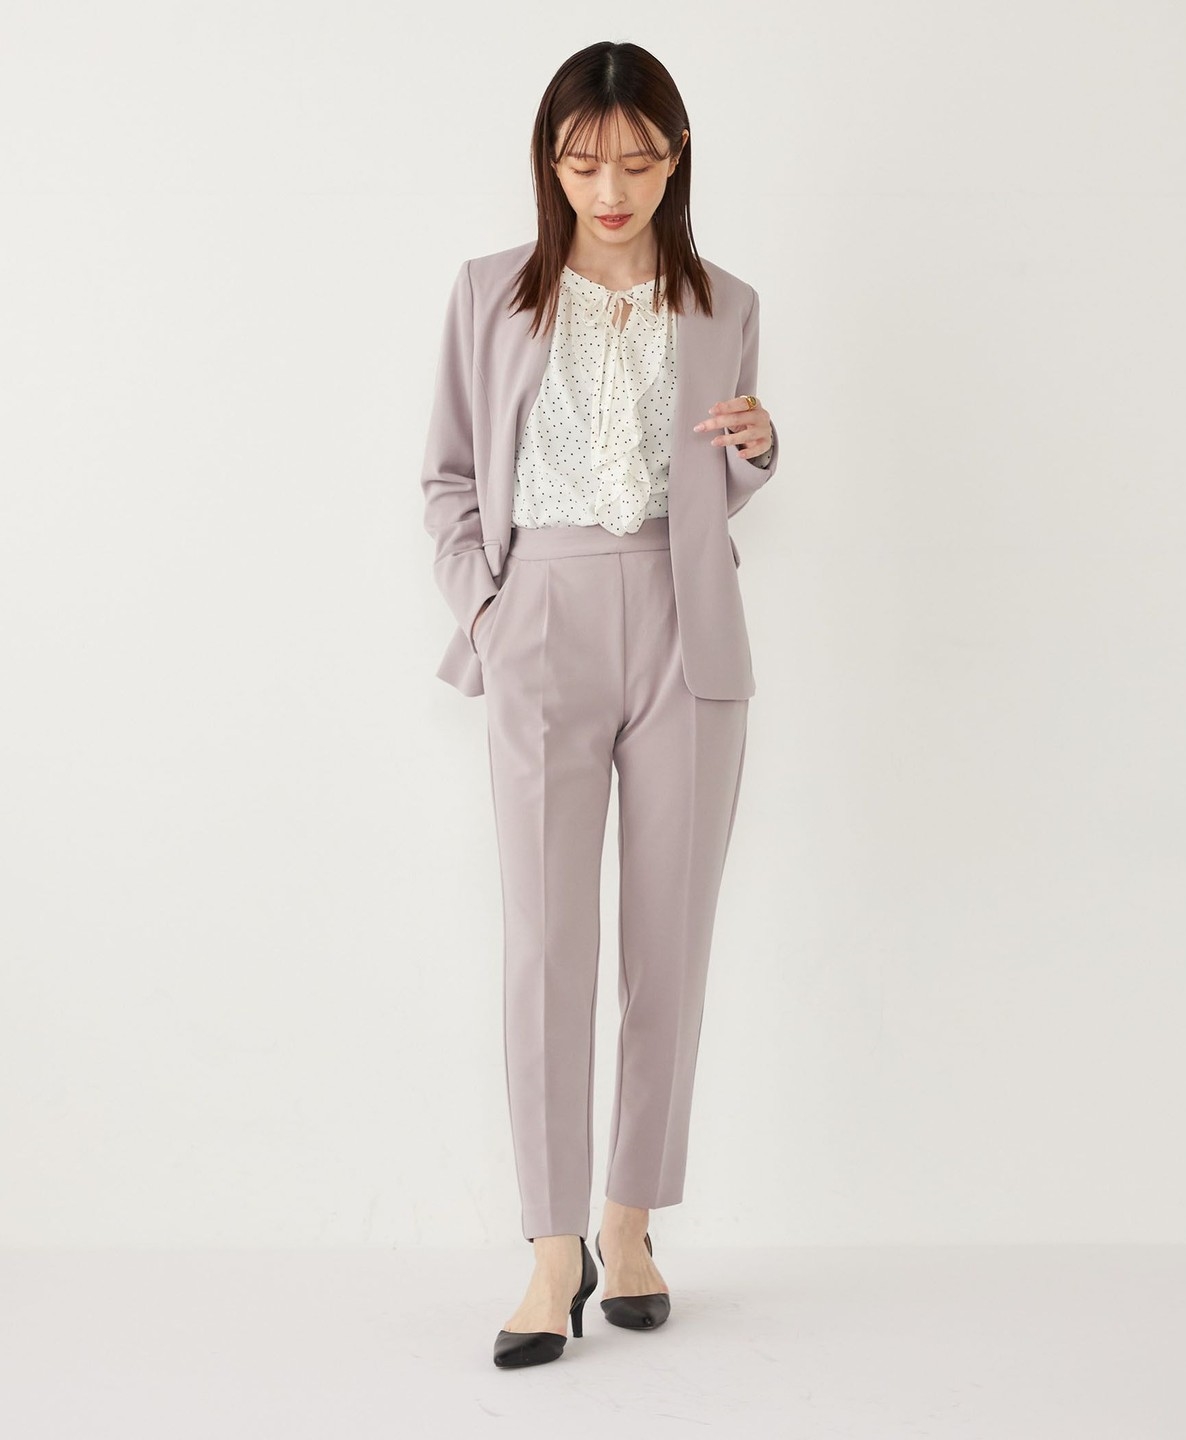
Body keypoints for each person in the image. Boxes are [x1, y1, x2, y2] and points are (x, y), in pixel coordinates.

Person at [420, 40, 780, 1369]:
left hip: (687, 631)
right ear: (551, 162)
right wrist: (486, 611)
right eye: (583, 163)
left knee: (667, 951)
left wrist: (761, 450)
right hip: (543, 619)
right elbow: (448, 478)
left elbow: (715, 476)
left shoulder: (727, 302)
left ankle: (630, 1225)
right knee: (545, 949)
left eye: (638, 160)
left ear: (676, 160)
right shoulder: (489, 292)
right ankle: (550, 1246)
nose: (611, 189)